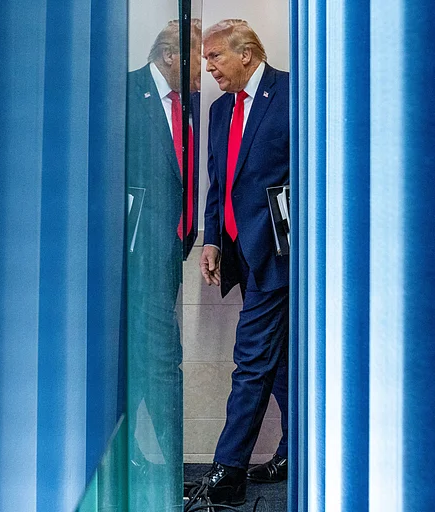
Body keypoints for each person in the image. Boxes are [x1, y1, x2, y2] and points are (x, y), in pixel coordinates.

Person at [198, 19, 290, 506]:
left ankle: (228, 470)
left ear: (247, 54)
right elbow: (219, 183)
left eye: (215, 56)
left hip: (280, 253)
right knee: (278, 360)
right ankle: (296, 448)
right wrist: (212, 240)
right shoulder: (219, 110)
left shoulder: (292, 94)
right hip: (241, 253)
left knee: (252, 358)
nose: (208, 67)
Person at [125, 19, 202, 510]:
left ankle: (132, 459)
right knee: (162, 361)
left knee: (143, 360)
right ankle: (172, 476)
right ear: (170, 56)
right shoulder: (126, 93)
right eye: (196, 61)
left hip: (169, 253)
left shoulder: (185, 104)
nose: (202, 72)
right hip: (135, 256)